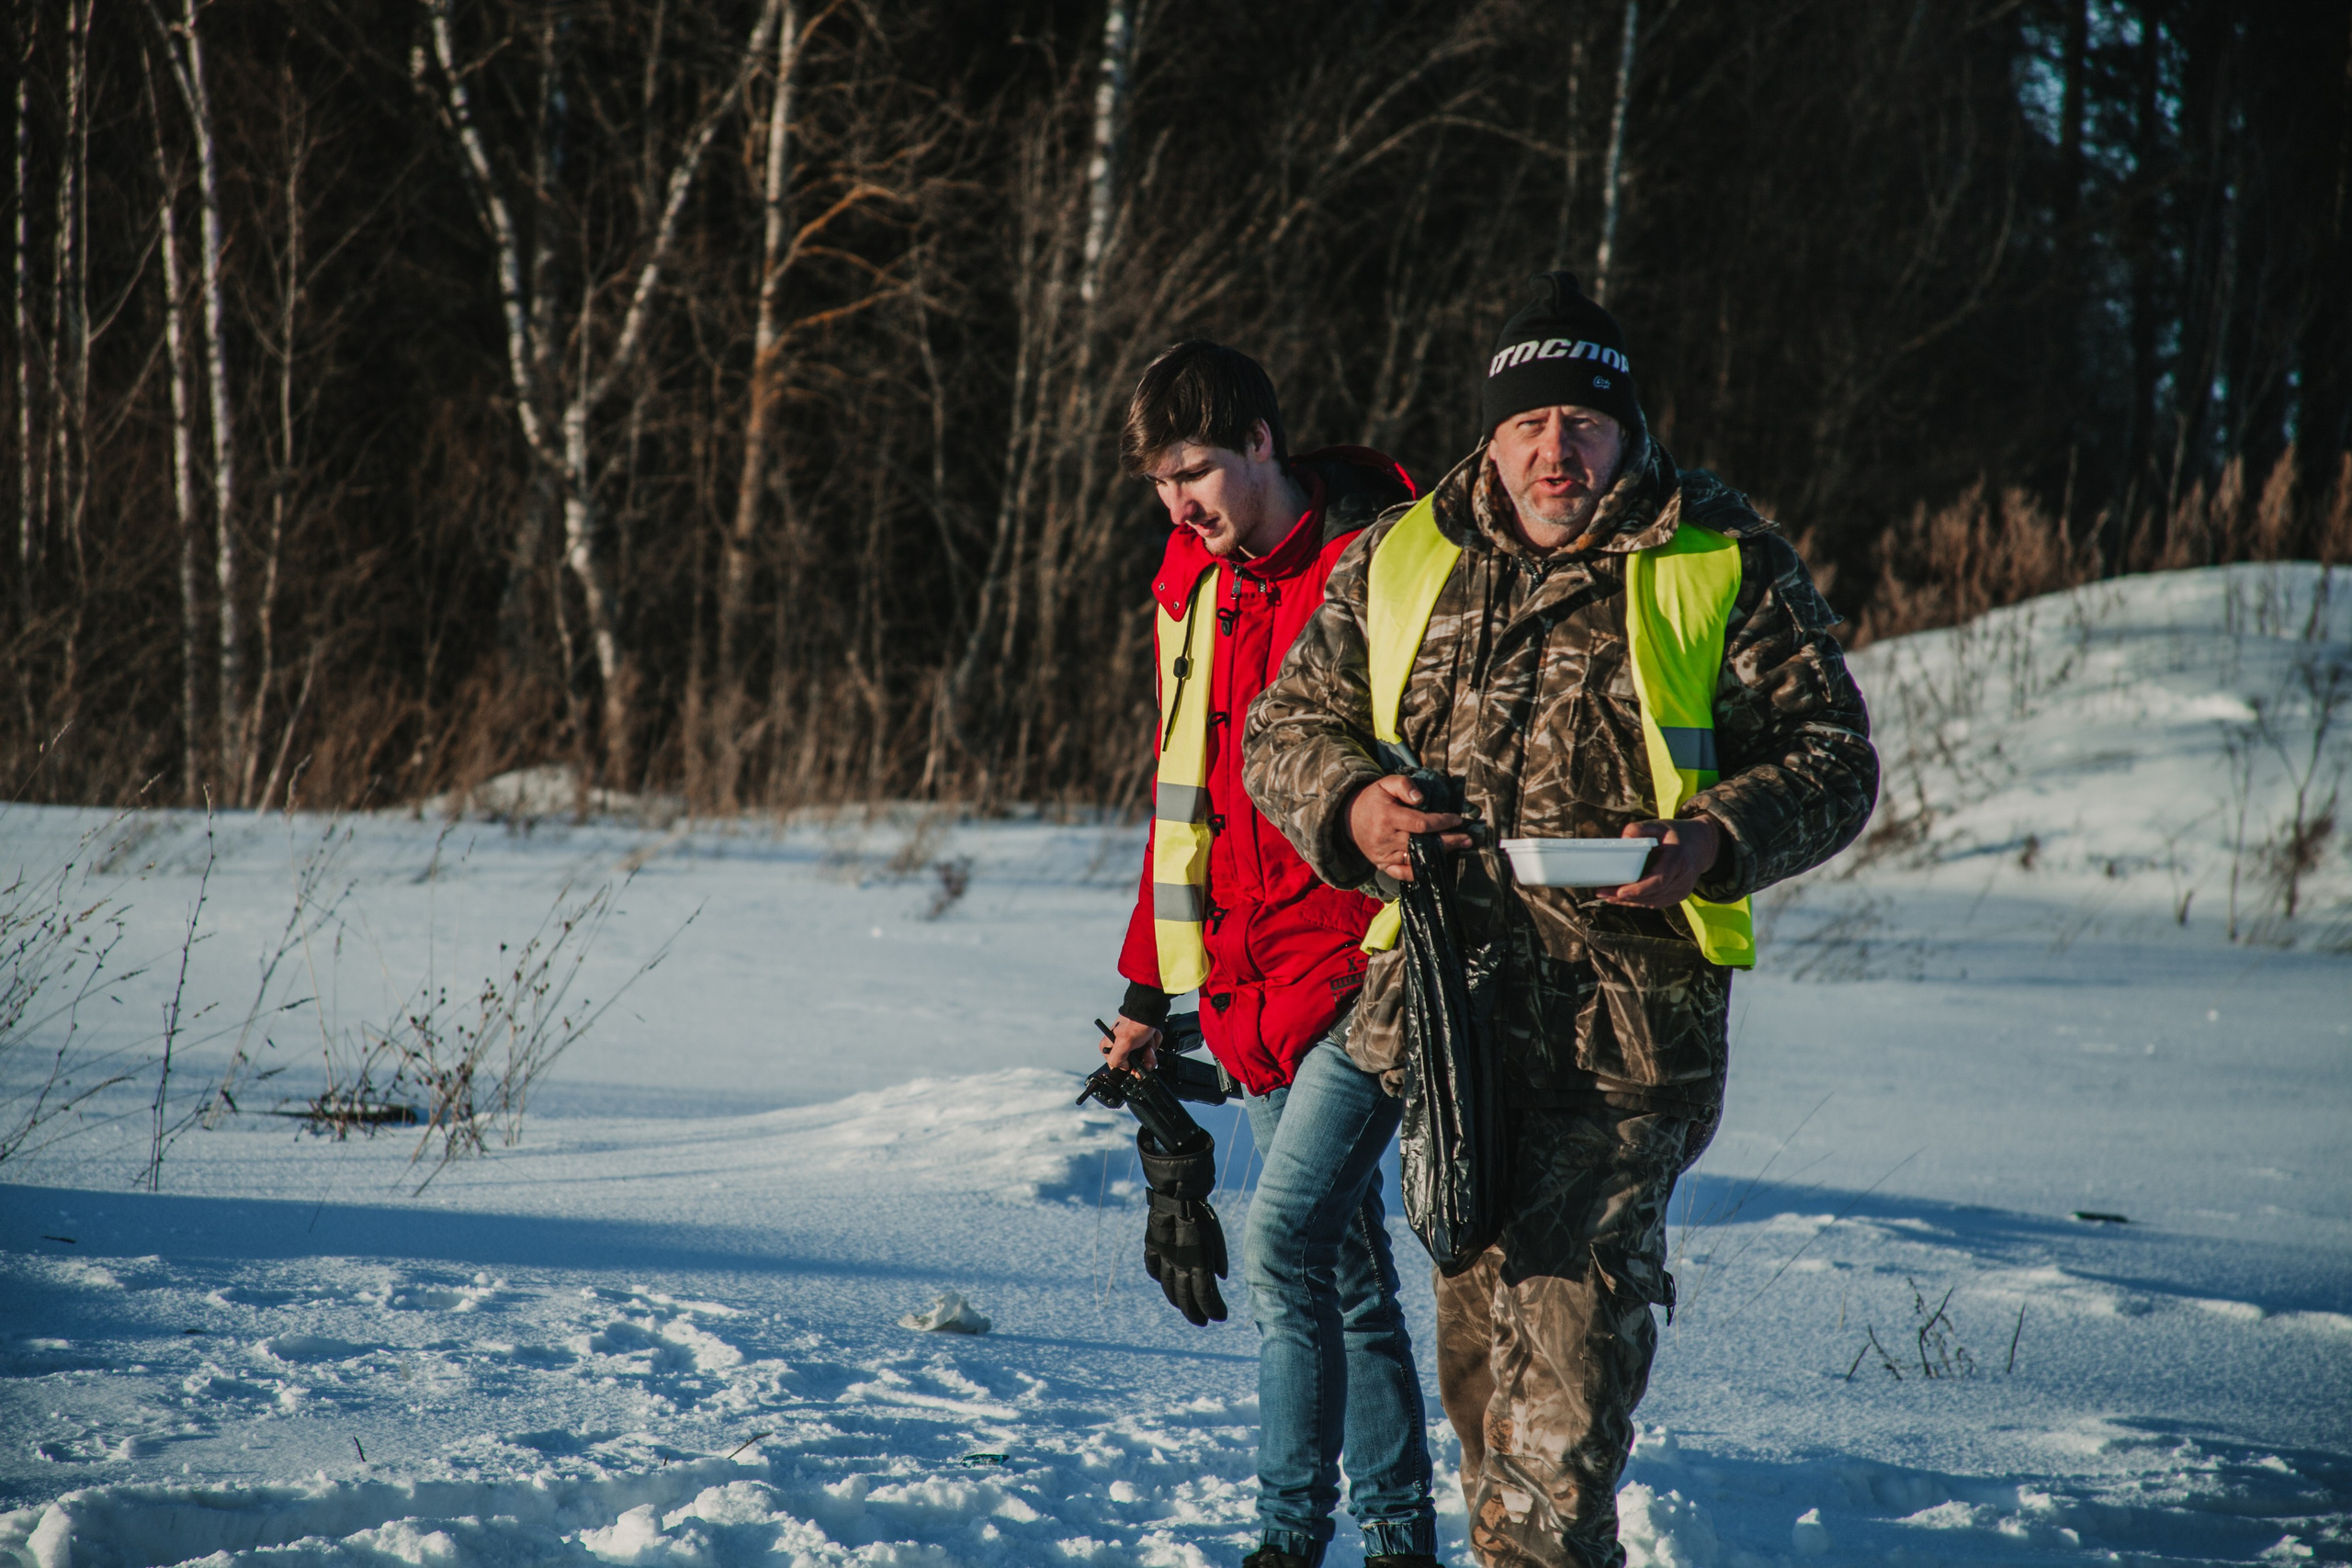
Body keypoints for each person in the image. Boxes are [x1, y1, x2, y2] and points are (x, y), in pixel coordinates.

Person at [1243, 274, 1879, 1568]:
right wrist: (1357, 807)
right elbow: (1283, 727)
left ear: (1625, 429)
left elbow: (1834, 756)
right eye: (1529, 422)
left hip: (1623, 1049)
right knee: (1484, 1393)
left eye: (1582, 421)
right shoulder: (1402, 552)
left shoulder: (1716, 553)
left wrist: (1714, 839)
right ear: (1492, 433)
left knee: (1561, 1421)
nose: (1555, 448)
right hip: (1448, 1034)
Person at [1100, 339, 1442, 1568]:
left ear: (1261, 443)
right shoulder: (1190, 585)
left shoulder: (1384, 562)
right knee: (1344, 1276)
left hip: (1367, 970)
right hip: (1246, 982)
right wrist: (1147, 996)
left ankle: (1287, 1539)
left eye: (1193, 471)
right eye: (1157, 485)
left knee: (1287, 1240)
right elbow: (1178, 793)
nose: (1178, 505)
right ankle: (1402, 1541)